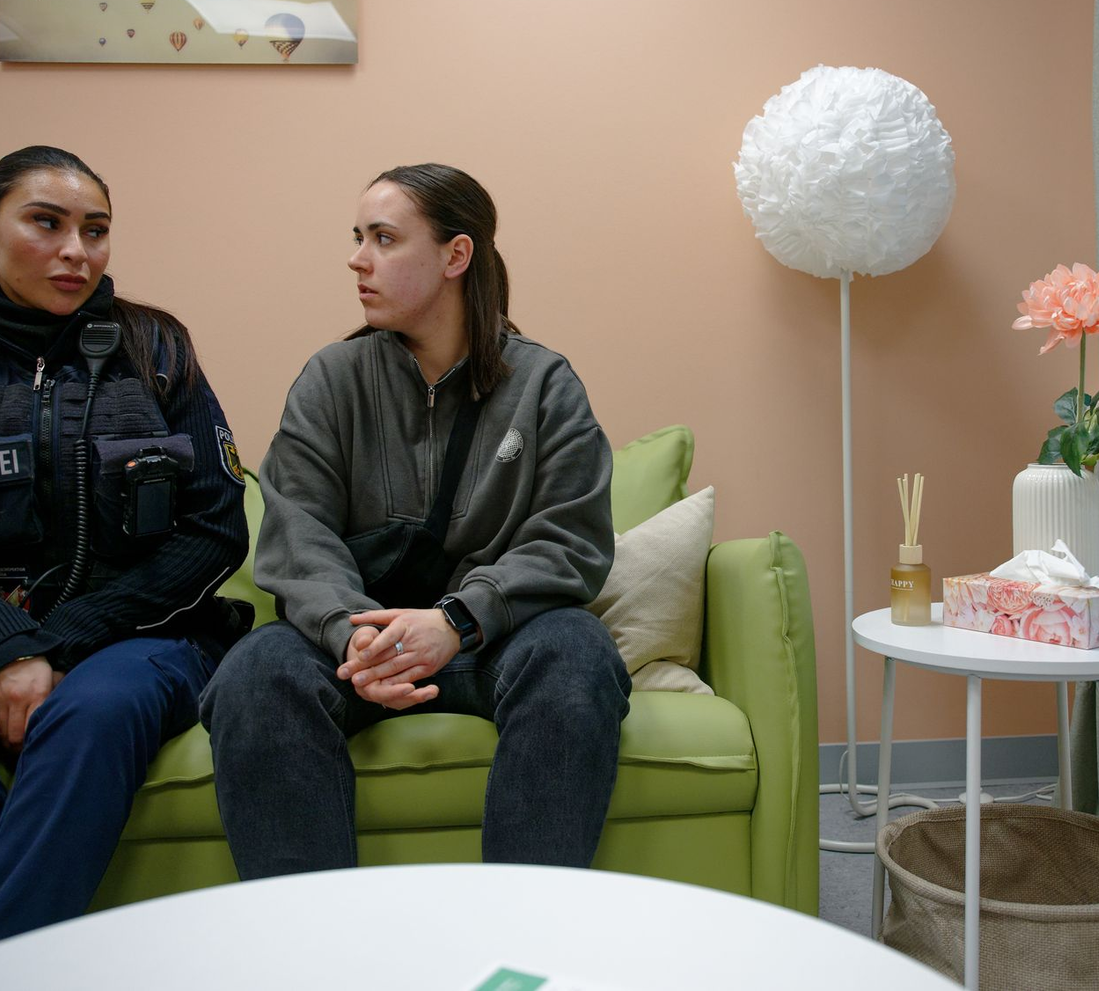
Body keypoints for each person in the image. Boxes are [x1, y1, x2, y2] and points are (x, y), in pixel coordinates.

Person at [201, 163, 630, 875]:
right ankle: (309, 951)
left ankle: (524, 944)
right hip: (356, 646)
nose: (356, 258)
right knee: (257, 669)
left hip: (495, 639)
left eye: (383, 238)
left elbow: (571, 537)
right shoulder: (330, 380)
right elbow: (297, 530)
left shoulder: (544, 384)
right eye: (358, 237)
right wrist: (355, 635)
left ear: (455, 257)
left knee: (576, 652)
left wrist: (456, 622)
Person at [0, 145, 250, 938]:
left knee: (95, 706)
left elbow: (215, 531)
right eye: (47, 222)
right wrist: (13, 649)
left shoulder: (156, 347)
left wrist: (60, 645)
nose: (77, 250)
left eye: (96, 229)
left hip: (144, 639)